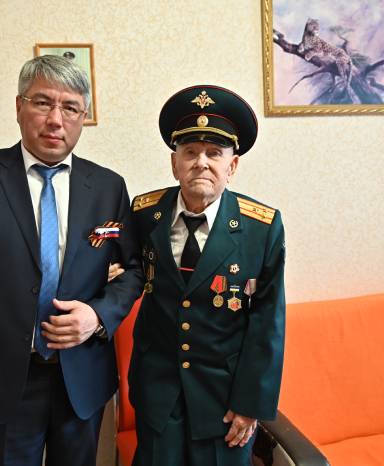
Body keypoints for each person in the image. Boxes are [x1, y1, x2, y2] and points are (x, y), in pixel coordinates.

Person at [0, 55, 143, 466]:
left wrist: (97, 315)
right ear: (19, 106)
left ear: (83, 117)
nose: (56, 120)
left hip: (81, 378)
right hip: (0, 377)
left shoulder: (108, 187)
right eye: (43, 103)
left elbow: (133, 270)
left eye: (70, 107)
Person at [128, 85, 286, 466]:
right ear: (175, 163)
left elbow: (268, 322)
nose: (201, 162)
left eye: (214, 153)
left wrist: (251, 404)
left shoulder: (261, 228)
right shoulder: (144, 214)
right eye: (190, 152)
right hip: (158, 394)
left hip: (225, 401)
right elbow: (125, 275)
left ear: (232, 166)